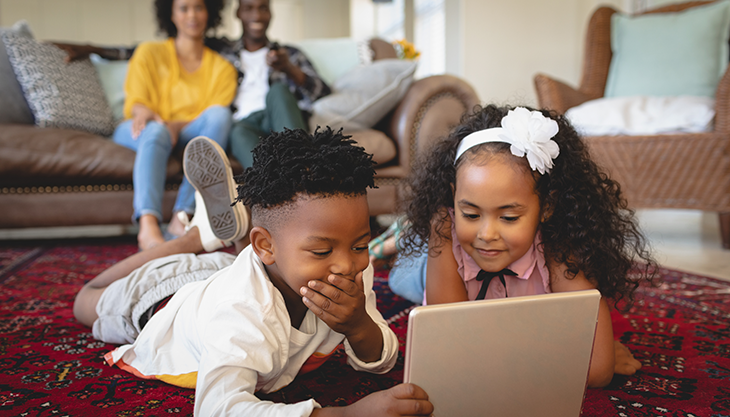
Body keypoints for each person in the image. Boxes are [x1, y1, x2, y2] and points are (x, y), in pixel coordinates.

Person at [73, 132, 434, 416]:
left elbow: (382, 358)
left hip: (240, 272)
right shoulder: (240, 313)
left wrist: (359, 326)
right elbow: (218, 409)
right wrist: (347, 415)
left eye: (359, 245)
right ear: (265, 246)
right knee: (87, 300)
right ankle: (195, 238)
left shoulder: (350, 270)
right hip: (166, 298)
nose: (347, 264)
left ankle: (215, 239)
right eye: (322, 251)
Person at [387, 104, 658, 388]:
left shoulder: (559, 243)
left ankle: (403, 232)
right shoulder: (445, 226)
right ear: (454, 199)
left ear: (546, 208)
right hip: (429, 269)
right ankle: (398, 238)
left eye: (508, 217)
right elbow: (448, 352)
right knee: (403, 275)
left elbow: (598, 371)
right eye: (471, 213)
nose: (487, 233)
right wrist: (561, 357)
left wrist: (485, 356)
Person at [55, 0, 331, 170]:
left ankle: (303, 167)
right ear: (238, 13)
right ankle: (281, 191)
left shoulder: (290, 53)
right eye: (249, 7)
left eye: (262, 7)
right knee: (234, 132)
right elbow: (146, 50)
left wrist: (289, 69)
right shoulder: (220, 50)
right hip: (242, 124)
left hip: (278, 119)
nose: (256, 14)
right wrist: (92, 49)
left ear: (271, 12)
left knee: (279, 91)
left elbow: (321, 91)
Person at [113, 0, 238, 250]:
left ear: (209, 12)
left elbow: (211, 116)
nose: (192, 15)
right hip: (144, 128)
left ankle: (182, 216)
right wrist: (151, 116)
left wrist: (176, 126)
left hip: (188, 131)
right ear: (170, 13)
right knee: (156, 130)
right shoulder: (149, 52)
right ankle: (148, 225)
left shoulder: (223, 69)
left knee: (221, 116)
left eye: (199, 7)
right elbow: (136, 102)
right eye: (184, 8)